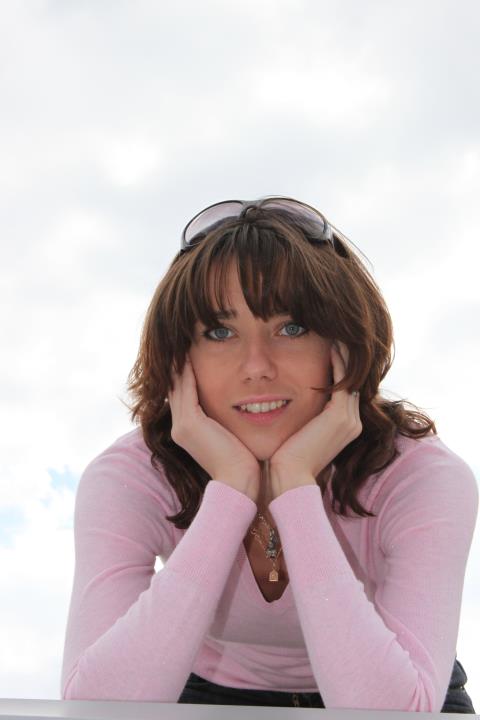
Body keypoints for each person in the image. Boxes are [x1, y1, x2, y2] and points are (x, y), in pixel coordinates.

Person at [60, 196, 478, 712]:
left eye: (291, 328)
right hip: (204, 689)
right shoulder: (132, 477)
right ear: (178, 360)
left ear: (344, 344)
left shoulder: (419, 476)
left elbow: (392, 712)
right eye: (220, 332)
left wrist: (296, 485)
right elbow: (97, 708)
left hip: (387, 680)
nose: (257, 366)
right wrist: (231, 490)